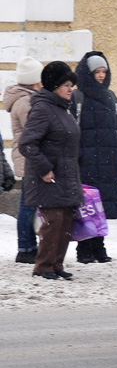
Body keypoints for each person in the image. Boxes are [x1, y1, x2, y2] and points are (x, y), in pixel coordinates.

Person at [19, 61, 84, 280]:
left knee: (65, 222)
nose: (70, 89)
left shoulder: (62, 109)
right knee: (53, 222)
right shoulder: (42, 108)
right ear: (54, 86)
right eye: (66, 84)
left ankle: (56, 264)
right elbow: (27, 144)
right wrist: (45, 169)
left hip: (66, 176)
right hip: (49, 178)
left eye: (71, 84)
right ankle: (43, 266)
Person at [73, 52, 117, 264]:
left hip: (108, 162)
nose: (101, 75)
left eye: (104, 71)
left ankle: (99, 247)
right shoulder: (78, 98)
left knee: (101, 207)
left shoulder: (111, 98)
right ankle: (84, 248)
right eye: (97, 72)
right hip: (86, 163)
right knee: (87, 207)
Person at [3, 56, 43, 263]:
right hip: (29, 159)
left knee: (28, 203)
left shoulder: (25, 98)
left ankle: (28, 246)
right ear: (35, 80)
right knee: (28, 205)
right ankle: (26, 248)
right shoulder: (26, 101)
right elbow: (37, 131)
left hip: (26, 157)